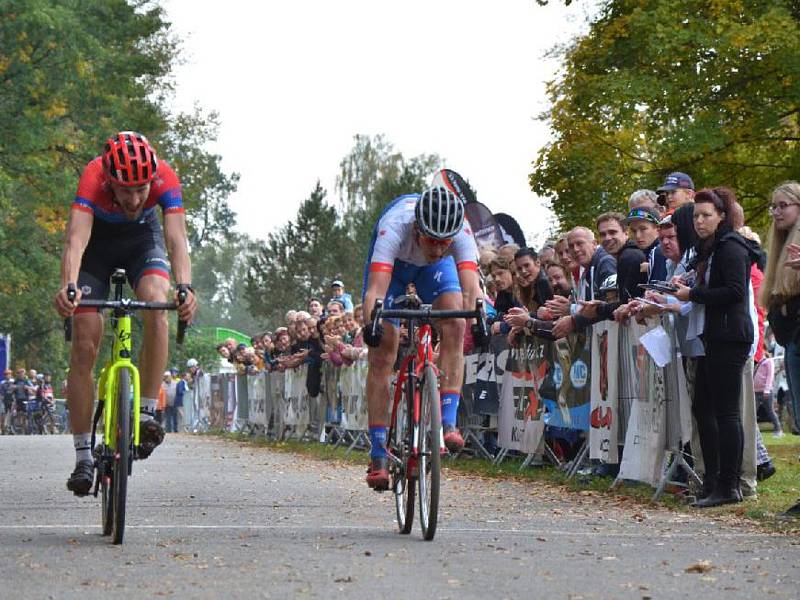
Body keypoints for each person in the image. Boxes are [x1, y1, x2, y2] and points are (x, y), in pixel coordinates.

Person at [53, 132, 198, 496]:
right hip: (96, 252)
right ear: (109, 182)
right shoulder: (92, 176)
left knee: (157, 303)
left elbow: (177, 239)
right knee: (85, 338)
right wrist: (69, 285)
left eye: (141, 190)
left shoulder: (165, 176)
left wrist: (185, 287)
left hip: (141, 244)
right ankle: (84, 454)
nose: (134, 199)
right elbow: (75, 239)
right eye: (125, 190)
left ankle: (147, 413)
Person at [361, 186, 482, 490]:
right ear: (417, 228)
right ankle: (379, 454)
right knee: (382, 351)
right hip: (395, 269)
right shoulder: (394, 226)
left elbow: (471, 291)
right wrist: (371, 325)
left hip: (434, 273)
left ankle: (449, 422)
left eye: (445, 242)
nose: (439, 249)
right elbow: (376, 290)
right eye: (432, 240)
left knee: (456, 324)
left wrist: (477, 319)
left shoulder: (462, 233)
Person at [674, 187, 753, 507]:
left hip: (729, 335)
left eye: (706, 215)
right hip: (713, 336)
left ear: (722, 216)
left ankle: (729, 484)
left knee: (726, 412)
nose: (700, 221)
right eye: (696, 216)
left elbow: (734, 291)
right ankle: (712, 479)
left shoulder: (731, 246)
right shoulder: (707, 249)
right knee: (703, 408)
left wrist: (692, 295)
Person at [757, 181, 800, 516]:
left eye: (784, 205)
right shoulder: (780, 245)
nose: (777, 211)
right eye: (774, 206)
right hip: (792, 337)